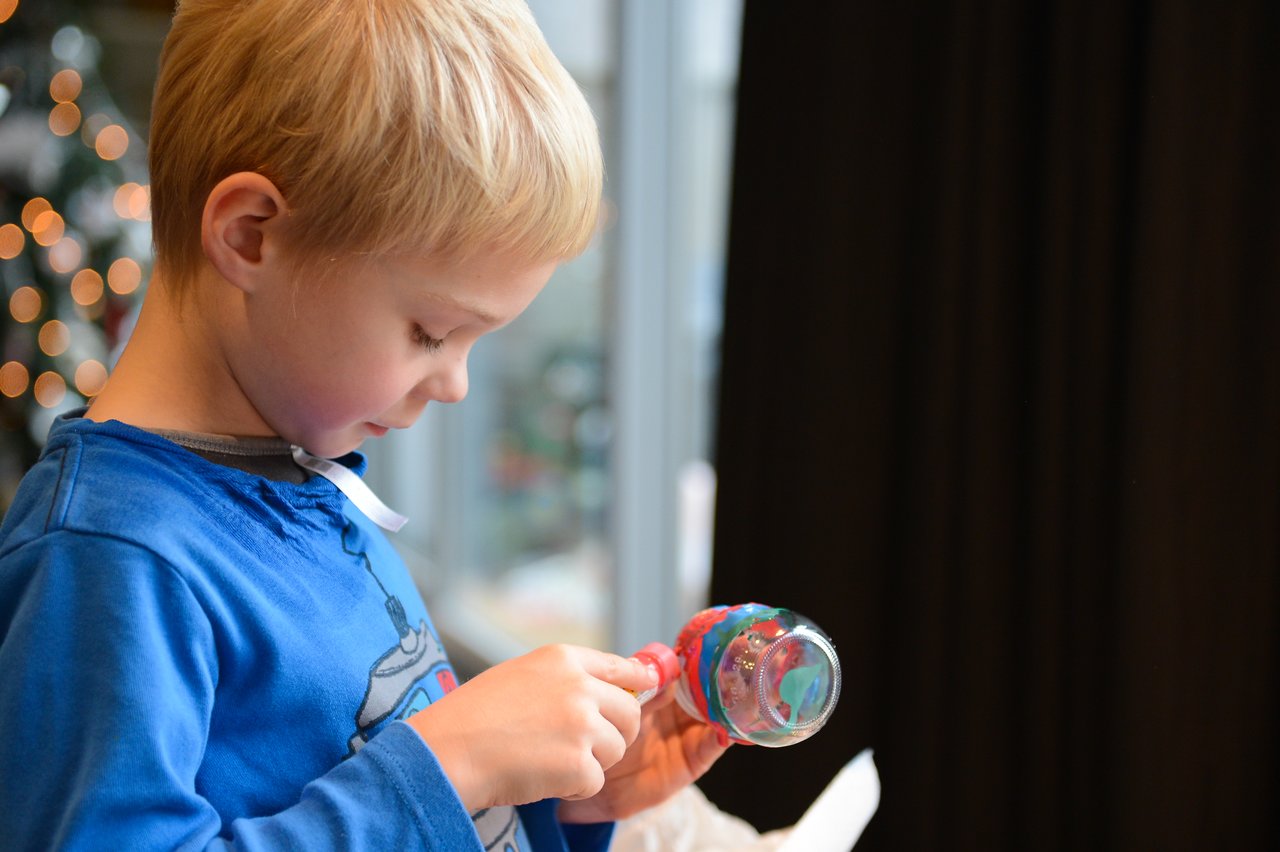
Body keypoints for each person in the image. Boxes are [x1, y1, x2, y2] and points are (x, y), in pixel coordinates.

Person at [0, 0, 728, 849]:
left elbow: (351, 778)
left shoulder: (306, 474)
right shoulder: (107, 561)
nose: (454, 384)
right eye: (430, 332)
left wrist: (549, 796)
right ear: (251, 235)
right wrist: (453, 762)